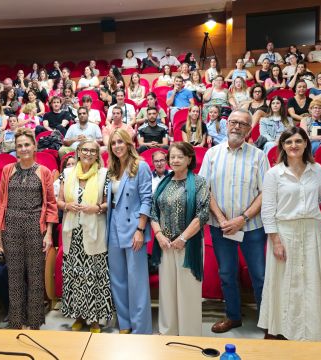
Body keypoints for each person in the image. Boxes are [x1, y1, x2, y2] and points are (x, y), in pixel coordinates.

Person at [258, 127, 321, 341]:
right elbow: (267, 211)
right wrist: (275, 241)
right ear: (282, 147)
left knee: (311, 280)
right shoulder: (273, 173)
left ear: (306, 143)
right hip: (284, 232)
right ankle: (281, 327)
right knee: (284, 282)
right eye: (288, 142)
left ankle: (312, 330)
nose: (293, 146)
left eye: (298, 141)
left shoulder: (317, 169)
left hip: (312, 231)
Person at [199, 110, 269, 334]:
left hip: (252, 228)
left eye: (243, 124)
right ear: (226, 124)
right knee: (227, 273)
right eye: (233, 122)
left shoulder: (259, 156)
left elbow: (265, 192)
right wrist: (220, 219)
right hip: (220, 228)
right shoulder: (212, 154)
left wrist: (243, 218)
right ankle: (233, 317)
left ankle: (268, 321)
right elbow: (204, 189)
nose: (237, 127)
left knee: (259, 275)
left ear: (249, 129)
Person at [0, 128, 58, 329]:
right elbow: (1, 202)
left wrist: (48, 234)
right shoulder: (7, 170)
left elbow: (50, 204)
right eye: (19, 146)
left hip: (35, 225)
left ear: (34, 147)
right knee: (14, 275)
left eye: (26, 145)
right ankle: (16, 322)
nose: (23, 149)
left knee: (35, 276)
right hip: (11, 226)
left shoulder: (44, 172)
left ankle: (34, 323)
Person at [150, 142, 209, 336]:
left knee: (188, 292)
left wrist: (182, 238)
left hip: (188, 244)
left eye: (179, 157)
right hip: (166, 245)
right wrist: (158, 236)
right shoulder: (163, 183)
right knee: (167, 291)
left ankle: (189, 334)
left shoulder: (199, 182)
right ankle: (168, 331)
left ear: (189, 159)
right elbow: (153, 212)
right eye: (172, 157)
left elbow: (202, 214)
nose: (174, 160)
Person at [57, 140, 113, 333]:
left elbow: (108, 204)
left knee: (94, 276)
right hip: (73, 233)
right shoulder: (67, 173)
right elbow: (59, 200)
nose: (88, 153)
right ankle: (79, 316)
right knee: (76, 276)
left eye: (92, 150)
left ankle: (95, 319)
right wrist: (66, 206)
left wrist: (96, 208)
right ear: (78, 152)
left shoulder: (104, 175)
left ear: (97, 154)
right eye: (85, 150)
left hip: (94, 230)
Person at [106, 128, 153, 334]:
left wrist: (140, 230)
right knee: (118, 278)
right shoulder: (112, 168)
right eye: (113, 143)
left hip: (134, 227)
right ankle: (124, 324)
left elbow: (147, 200)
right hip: (114, 225)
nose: (117, 146)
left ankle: (141, 329)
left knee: (137, 281)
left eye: (120, 142)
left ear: (129, 144)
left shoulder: (140, 166)